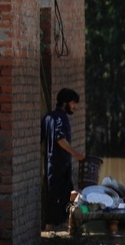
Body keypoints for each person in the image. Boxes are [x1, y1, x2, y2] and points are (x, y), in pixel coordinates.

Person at [42, 88, 85, 232]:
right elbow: (59, 138)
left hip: (53, 166)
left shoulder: (48, 118)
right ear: (65, 103)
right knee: (56, 201)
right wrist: (76, 154)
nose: (75, 107)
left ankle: (66, 228)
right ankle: (49, 232)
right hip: (58, 167)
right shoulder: (60, 118)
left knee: (67, 199)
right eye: (73, 103)